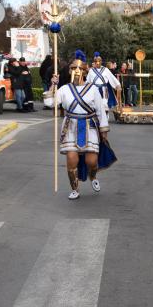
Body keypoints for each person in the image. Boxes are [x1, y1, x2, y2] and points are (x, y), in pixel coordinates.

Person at [56, 50, 117, 200]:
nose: (76, 72)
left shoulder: (93, 90)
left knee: (91, 161)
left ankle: (93, 176)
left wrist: (104, 130)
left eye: (80, 69)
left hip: (89, 126)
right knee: (71, 160)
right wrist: (53, 86)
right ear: (70, 71)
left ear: (84, 71)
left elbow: (101, 111)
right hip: (70, 126)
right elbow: (50, 103)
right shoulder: (63, 89)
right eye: (73, 69)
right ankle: (75, 189)